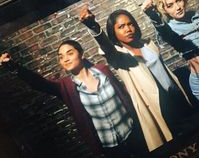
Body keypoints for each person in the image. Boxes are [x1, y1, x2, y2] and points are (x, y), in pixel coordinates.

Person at [0, 40, 149, 158]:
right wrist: (14, 67)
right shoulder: (66, 87)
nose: (65, 59)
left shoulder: (103, 70)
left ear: (81, 54)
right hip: (110, 147)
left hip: (133, 132)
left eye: (69, 53)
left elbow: (124, 95)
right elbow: (39, 83)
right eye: (61, 57)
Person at [79, 7, 192, 152]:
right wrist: (94, 27)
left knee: (195, 137)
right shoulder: (117, 55)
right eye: (121, 26)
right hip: (156, 106)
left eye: (130, 24)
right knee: (175, 147)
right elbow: (107, 48)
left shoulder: (147, 43)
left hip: (175, 95)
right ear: (113, 32)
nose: (128, 29)